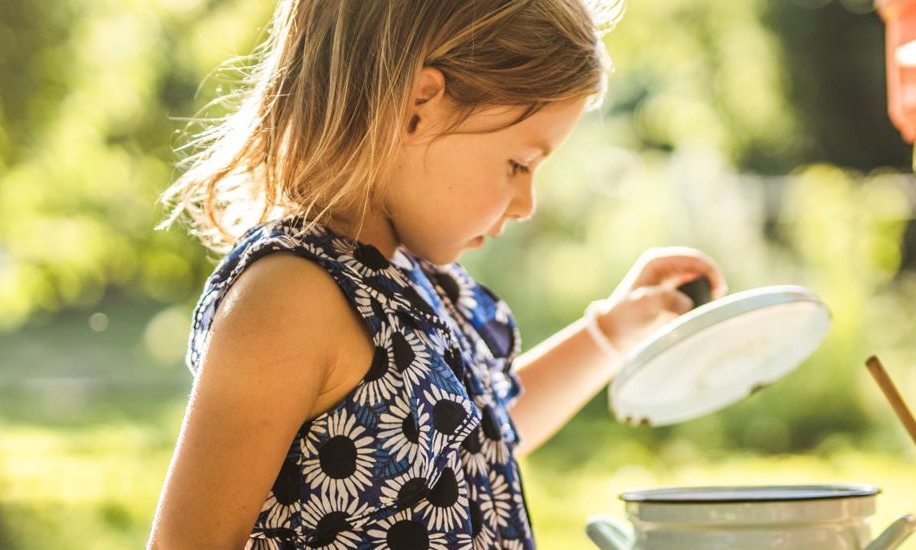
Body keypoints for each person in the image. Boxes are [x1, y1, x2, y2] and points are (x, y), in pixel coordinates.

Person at [147, 1, 725, 547]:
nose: (527, 203)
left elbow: (479, 446)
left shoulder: (409, 280)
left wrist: (611, 333)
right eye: (519, 163)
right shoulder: (291, 298)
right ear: (417, 105)